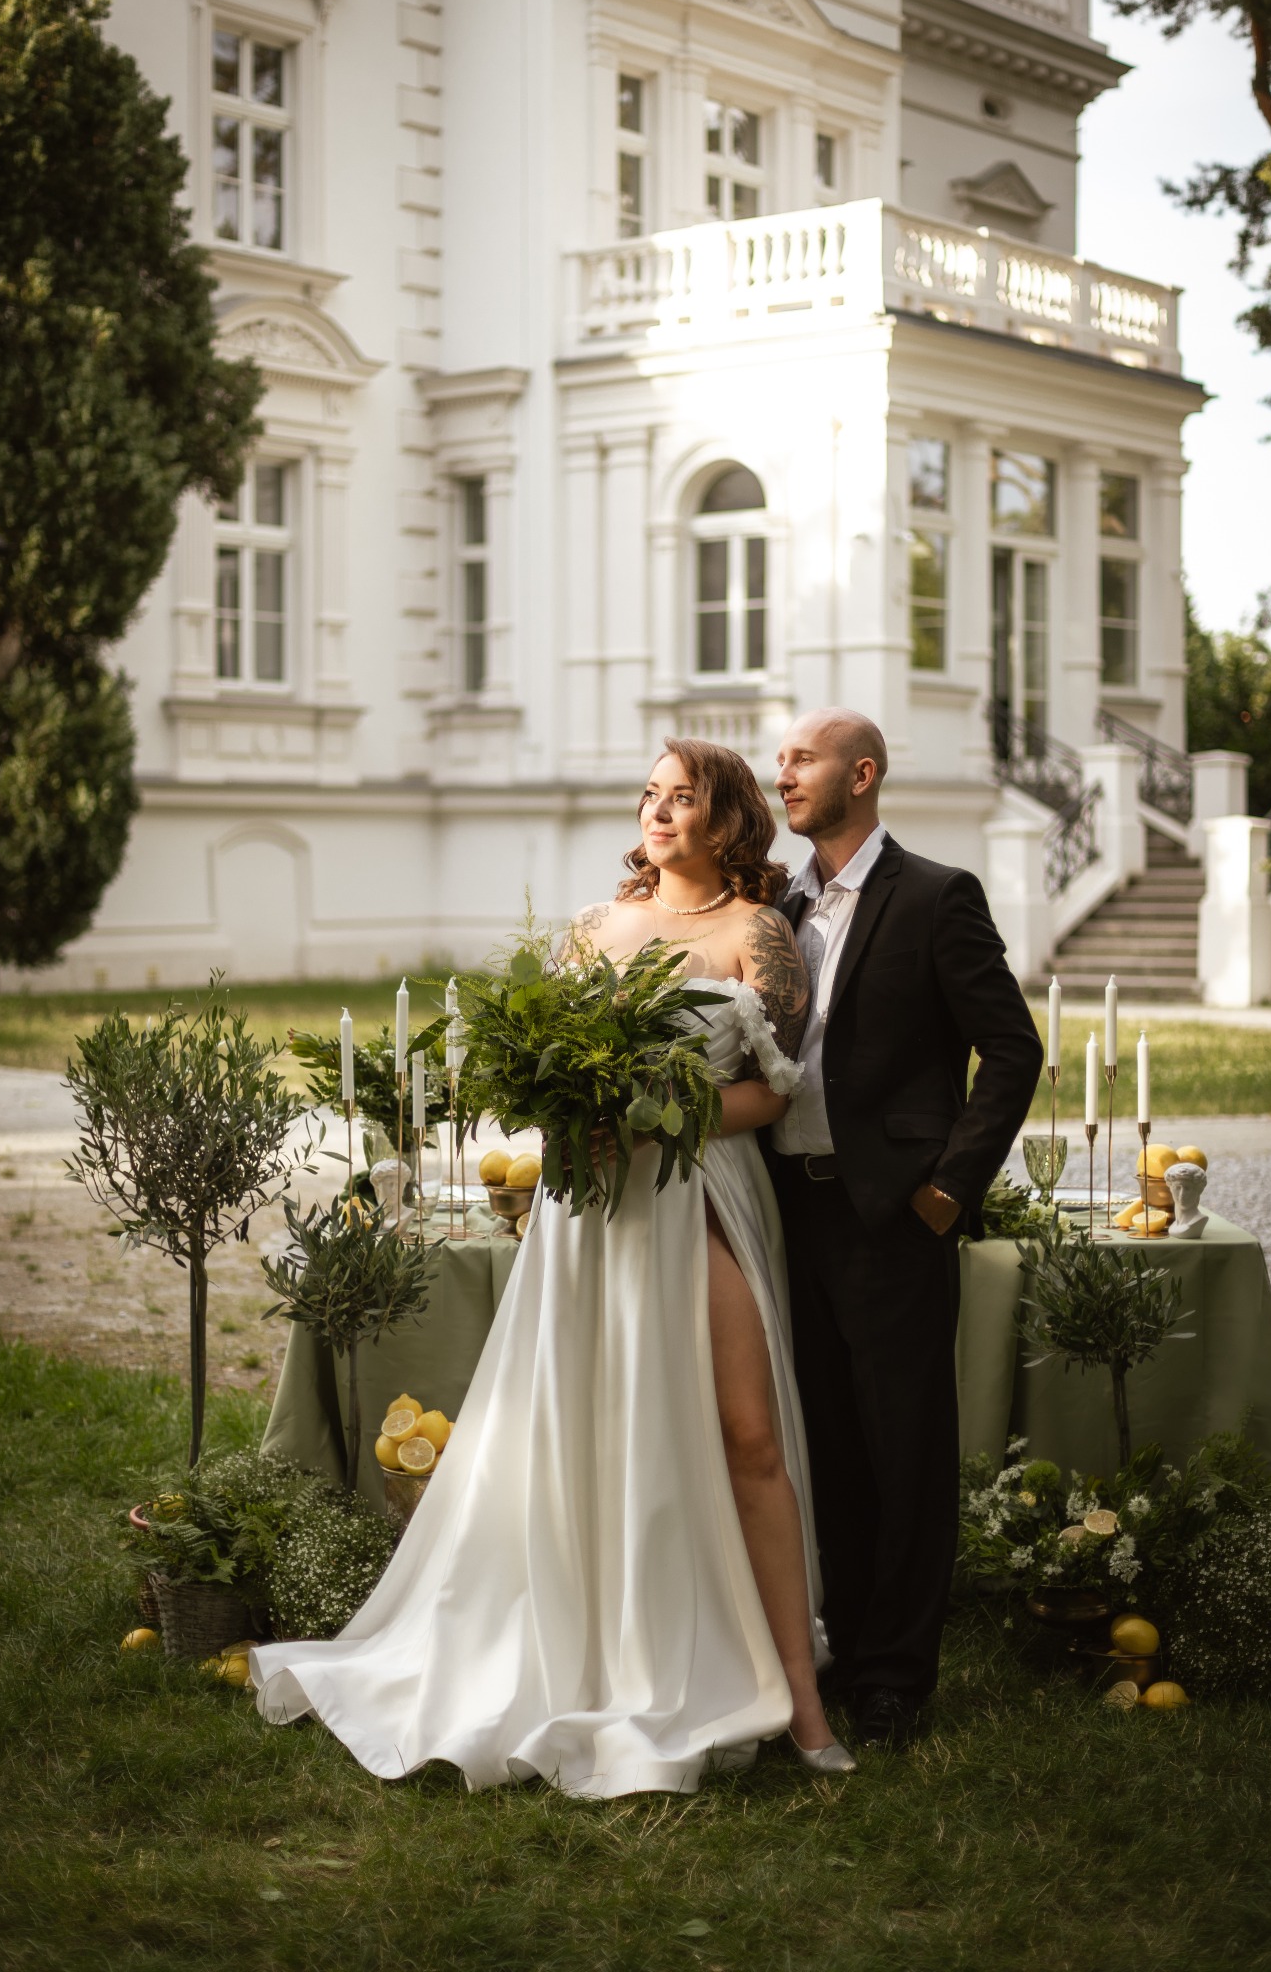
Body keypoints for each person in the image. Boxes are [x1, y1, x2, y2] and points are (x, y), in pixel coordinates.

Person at [252, 737, 856, 1793]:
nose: (657, 811)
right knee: (586, 1426)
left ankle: (800, 1701)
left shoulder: (757, 932)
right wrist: (569, 1114)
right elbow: (545, 1073)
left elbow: (773, 1091)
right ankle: (599, 1652)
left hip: (701, 1191)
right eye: (650, 794)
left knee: (748, 1434)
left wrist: (658, 1118)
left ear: (726, 818)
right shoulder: (593, 929)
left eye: (682, 796)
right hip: (591, 1206)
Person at [768, 707, 1043, 1750]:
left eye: (802, 758)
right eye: (781, 759)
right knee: (825, 1441)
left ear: (862, 774)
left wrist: (947, 1190)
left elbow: (1010, 1050)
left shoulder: (935, 895)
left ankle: (894, 1677)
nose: (783, 774)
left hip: (889, 1213)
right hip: (785, 1206)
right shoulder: (775, 902)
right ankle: (842, 1643)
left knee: (904, 1448)